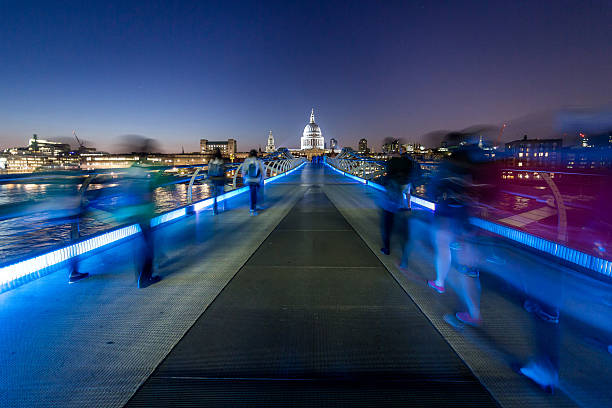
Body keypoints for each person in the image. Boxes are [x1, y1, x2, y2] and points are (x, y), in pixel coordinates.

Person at [379, 147, 416, 256]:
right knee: (403, 227)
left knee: (387, 223)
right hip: (403, 197)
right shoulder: (408, 162)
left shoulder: (391, 163)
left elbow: (386, 177)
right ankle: (404, 255)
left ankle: (387, 248)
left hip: (391, 197)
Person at [242, 149, 265, 215]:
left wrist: (244, 179)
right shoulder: (259, 161)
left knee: (252, 193)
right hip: (256, 180)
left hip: (249, 179)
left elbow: (244, 171)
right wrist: (262, 179)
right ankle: (254, 207)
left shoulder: (246, 160)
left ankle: (253, 207)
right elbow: (262, 171)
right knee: (256, 192)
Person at [207, 148, 226, 215]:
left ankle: (215, 209)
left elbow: (209, 170)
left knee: (214, 195)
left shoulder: (211, 160)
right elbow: (224, 170)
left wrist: (208, 177)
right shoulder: (221, 161)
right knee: (222, 191)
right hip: (220, 178)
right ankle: (224, 204)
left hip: (213, 179)